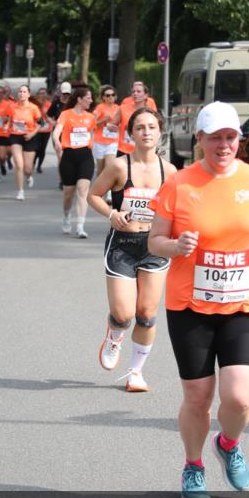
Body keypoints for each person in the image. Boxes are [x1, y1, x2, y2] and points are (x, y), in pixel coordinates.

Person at [148, 101, 249, 498]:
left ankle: (228, 442)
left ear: (239, 140)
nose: (224, 145)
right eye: (216, 138)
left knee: (239, 398)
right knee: (198, 396)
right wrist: (176, 244)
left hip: (242, 303)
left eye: (231, 137)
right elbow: (154, 240)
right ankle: (193, 467)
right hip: (189, 306)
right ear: (200, 140)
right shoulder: (179, 184)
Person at [88, 107, 176, 391]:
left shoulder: (170, 171)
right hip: (123, 246)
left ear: (160, 131)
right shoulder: (118, 166)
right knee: (124, 315)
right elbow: (93, 195)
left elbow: (176, 209)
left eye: (152, 127)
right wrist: (112, 214)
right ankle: (114, 335)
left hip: (154, 246)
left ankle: (135, 373)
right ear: (132, 133)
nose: (146, 132)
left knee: (147, 314)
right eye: (140, 127)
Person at [52, 85, 96, 237]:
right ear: (79, 99)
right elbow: (57, 131)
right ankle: (66, 217)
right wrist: (57, 142)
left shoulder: (90, 117)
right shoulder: (66, 114)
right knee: (68, 194)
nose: (91, 101)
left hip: (85, 156)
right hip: (69, 156)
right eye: (88, 98)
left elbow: (92, 134)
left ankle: (80, 227)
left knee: (83, 190)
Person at [8, 85, 40, 200]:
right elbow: (9, 120)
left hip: (29, 137)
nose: (21, 94)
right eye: (20, 92)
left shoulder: (34, 108)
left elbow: (40, 123)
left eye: (24, 92)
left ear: (28, 94)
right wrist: (7, 126)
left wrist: (32, 134)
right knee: (18, 164)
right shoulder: (12, 107)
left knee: (27, 168)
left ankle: (29, 176)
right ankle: (20, 191)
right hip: (15, 136)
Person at [114, 81, 158, 156]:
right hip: (125, 149)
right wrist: (116, 127)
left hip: (145, 149)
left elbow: (156, 127)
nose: (135, 94)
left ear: (145, 95)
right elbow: (112, 125)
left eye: (138, 91)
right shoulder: (123, 108)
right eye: (133, 92)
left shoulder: (150, 111)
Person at [92, 85, 120, 177]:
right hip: (99, 142)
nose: (110, 97)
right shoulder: (100, 107)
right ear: (103, 97)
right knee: (100, 169)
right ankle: (99, 189)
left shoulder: (118, 108)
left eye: (112, 95)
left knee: (109, 167)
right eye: (108, 95)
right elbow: (92, 123)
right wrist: (104, 120)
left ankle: (108, 191)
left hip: (113, 142)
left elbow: (122, 124)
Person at [33, 86, 54, 174]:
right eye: (41, 93)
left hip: (46, 129)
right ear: (38, 95)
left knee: (43, 148)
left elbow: (52, 116)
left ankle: (39, 166)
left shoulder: (49, 104)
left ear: (46, 95)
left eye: (44, 93)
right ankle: (33, 163)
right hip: (37, 129)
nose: (42, 95)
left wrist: (47, 116)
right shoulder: (35, 105)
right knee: (36, 148)